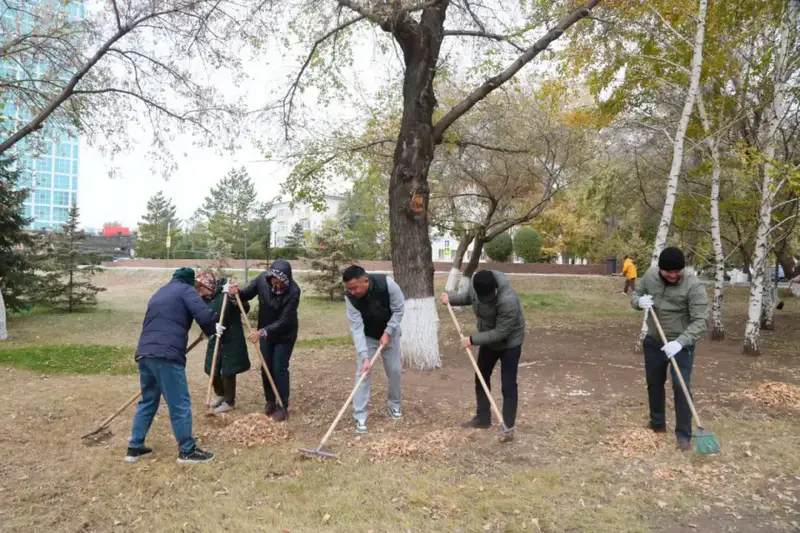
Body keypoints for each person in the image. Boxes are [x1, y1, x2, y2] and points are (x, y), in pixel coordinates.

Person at [126, 267, 224, 465]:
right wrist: (214, 327)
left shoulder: (160, 291)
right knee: (179, 403)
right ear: (189, 281)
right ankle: (187, 451)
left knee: (148, 400)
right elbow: (204, 315)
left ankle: (134, 447)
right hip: (166, 356)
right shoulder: (186, 290)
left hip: (145, 353)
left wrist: (206, 331)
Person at [632, 247, 709, 452]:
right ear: (660, 269)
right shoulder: (650, 276)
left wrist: (680, 342)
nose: (674, 275)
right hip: (655, 341)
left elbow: (700, 321)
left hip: (680, 346)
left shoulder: (694, 286)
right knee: (654, 383)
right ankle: (657, 423)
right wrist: (638, 302)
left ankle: (683, 436)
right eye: (669, 272)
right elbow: (637, 293)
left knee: (680, 386)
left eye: (678, 271)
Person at [441, 269, 525, 442]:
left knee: (508, 384)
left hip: (509, 343)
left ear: (495, 289)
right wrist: (451, 298)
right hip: (488, 338)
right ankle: (483, 418)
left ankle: (507, 426)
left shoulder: (508, 300)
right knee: (481, 376)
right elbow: (468, 298)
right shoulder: (476, 285)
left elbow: (501, 332)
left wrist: (472, 339)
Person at [228, 259, 300, 422]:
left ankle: (283, 406)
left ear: (287, 279)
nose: (277, 284)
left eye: (281, 282)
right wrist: (236, 292)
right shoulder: (262, 280)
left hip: (284, 335)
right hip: (265, 333)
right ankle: (270, 401)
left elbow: (285, 320)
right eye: (275, 280)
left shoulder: (294, 291)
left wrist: (262, 332)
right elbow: (245, 294)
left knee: (279, 368)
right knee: (265, 367)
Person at [343, 265, 405, 435]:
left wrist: (388, 332)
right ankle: (360, 415)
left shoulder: (387, 284)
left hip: (389, 334)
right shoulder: (351, 298)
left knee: (394, 371)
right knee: (363, 372)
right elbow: (356, 328)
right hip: (368, 336)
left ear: (365, 280)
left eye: (355, 288)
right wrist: (364, 356)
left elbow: (399, 309)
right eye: (349, 289)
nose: (353, 292)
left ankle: (394, 405)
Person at [197, 272, 251, 415]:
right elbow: (202, 316)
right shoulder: (204, 298)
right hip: (216, 335)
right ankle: (220, 394)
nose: (200, 291)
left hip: (231, 337)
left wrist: (234, 296)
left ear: (210, 285)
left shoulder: (225, 293)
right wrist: (208, 328)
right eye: (198, 288)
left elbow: (245, 308)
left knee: (228, 370)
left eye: (202, 287)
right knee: (211, 367)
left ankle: (229, 401)